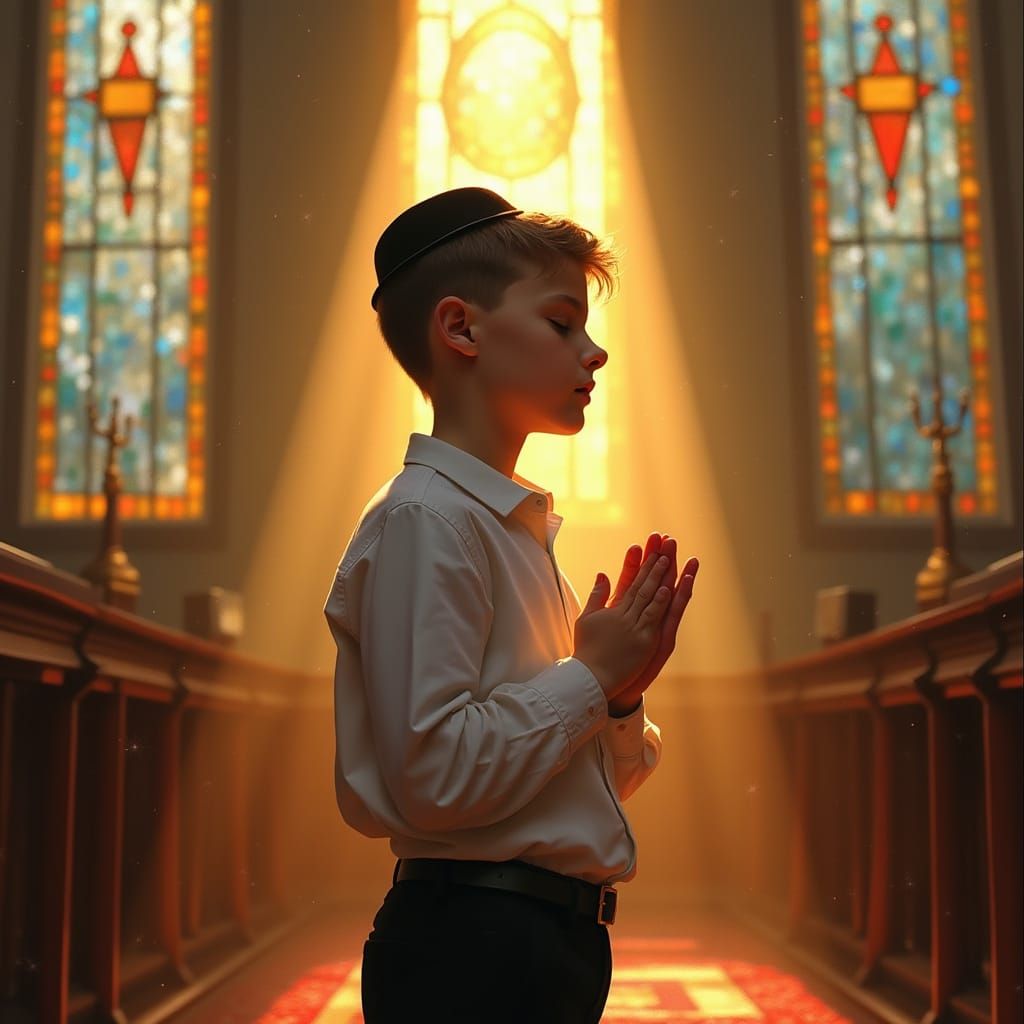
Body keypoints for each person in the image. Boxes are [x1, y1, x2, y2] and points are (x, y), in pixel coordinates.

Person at [322, 186, 700, 1023]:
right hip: (473, 944)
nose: (593, 352)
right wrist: (589, 676)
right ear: (461, 329)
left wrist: (619, 691)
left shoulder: (507, 525)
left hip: (534, 938)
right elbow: (436, 779)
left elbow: (575, 780)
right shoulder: (429, 520)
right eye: (563, 323)